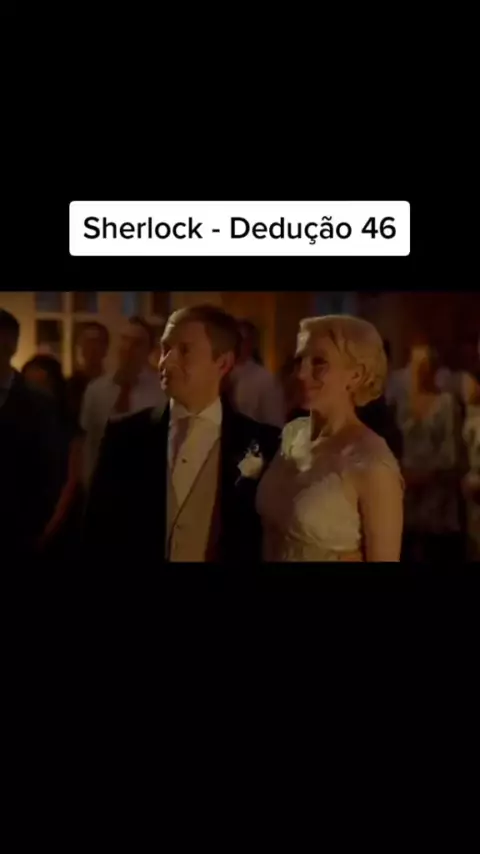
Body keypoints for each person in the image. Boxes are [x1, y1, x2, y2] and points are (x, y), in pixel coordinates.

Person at [83, 305, 280, 563]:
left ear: (223, 362)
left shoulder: (262, 443)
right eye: (165, 349)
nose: (167, 362)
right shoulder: (124, 437)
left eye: (185, 350)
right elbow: (96, 536)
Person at [256, 315, 404, 562]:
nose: (301, 374)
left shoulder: (371, 461)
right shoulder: (293, 434)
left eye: (319, 362)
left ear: (356, 375)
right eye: (299, 360)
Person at [391, 342, 466, 563]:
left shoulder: (446, 404)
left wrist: (422, 476)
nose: (418, 372)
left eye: (424, 366)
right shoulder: (402, 406)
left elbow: (451, 455)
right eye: (414, 366)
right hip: (407, 500)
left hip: (437, 502)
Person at [0, 310, 60, 559]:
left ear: (12, 346)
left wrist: (35, 527)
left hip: (18, 531)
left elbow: (49, 469)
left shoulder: (38, 402)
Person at [80, 316, 166, 486]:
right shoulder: (96, 390)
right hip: (104, 483)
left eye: (137, 343)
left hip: (144, 483)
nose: (128, 348)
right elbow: (89, 441)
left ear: (149, 350)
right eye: (124, 340)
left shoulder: (161, 393)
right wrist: (87, 482)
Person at [22, 354, 84, 559]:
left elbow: (72, 480)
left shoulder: (66, 424)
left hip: (59, 517)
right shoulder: (16, 421)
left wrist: (51, 525)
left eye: (41, 386)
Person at [228, 320, 285, 428]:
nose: (236, 346)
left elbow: (274, 423)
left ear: (251, 343)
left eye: (241, 340)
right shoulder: (219, 373)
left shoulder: (265, 379)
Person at [66, 322, 109, 427]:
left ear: (105, 349)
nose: (92, 348)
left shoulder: (115, 387)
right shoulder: (68, 387)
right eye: (88, 343)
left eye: (97, 343)